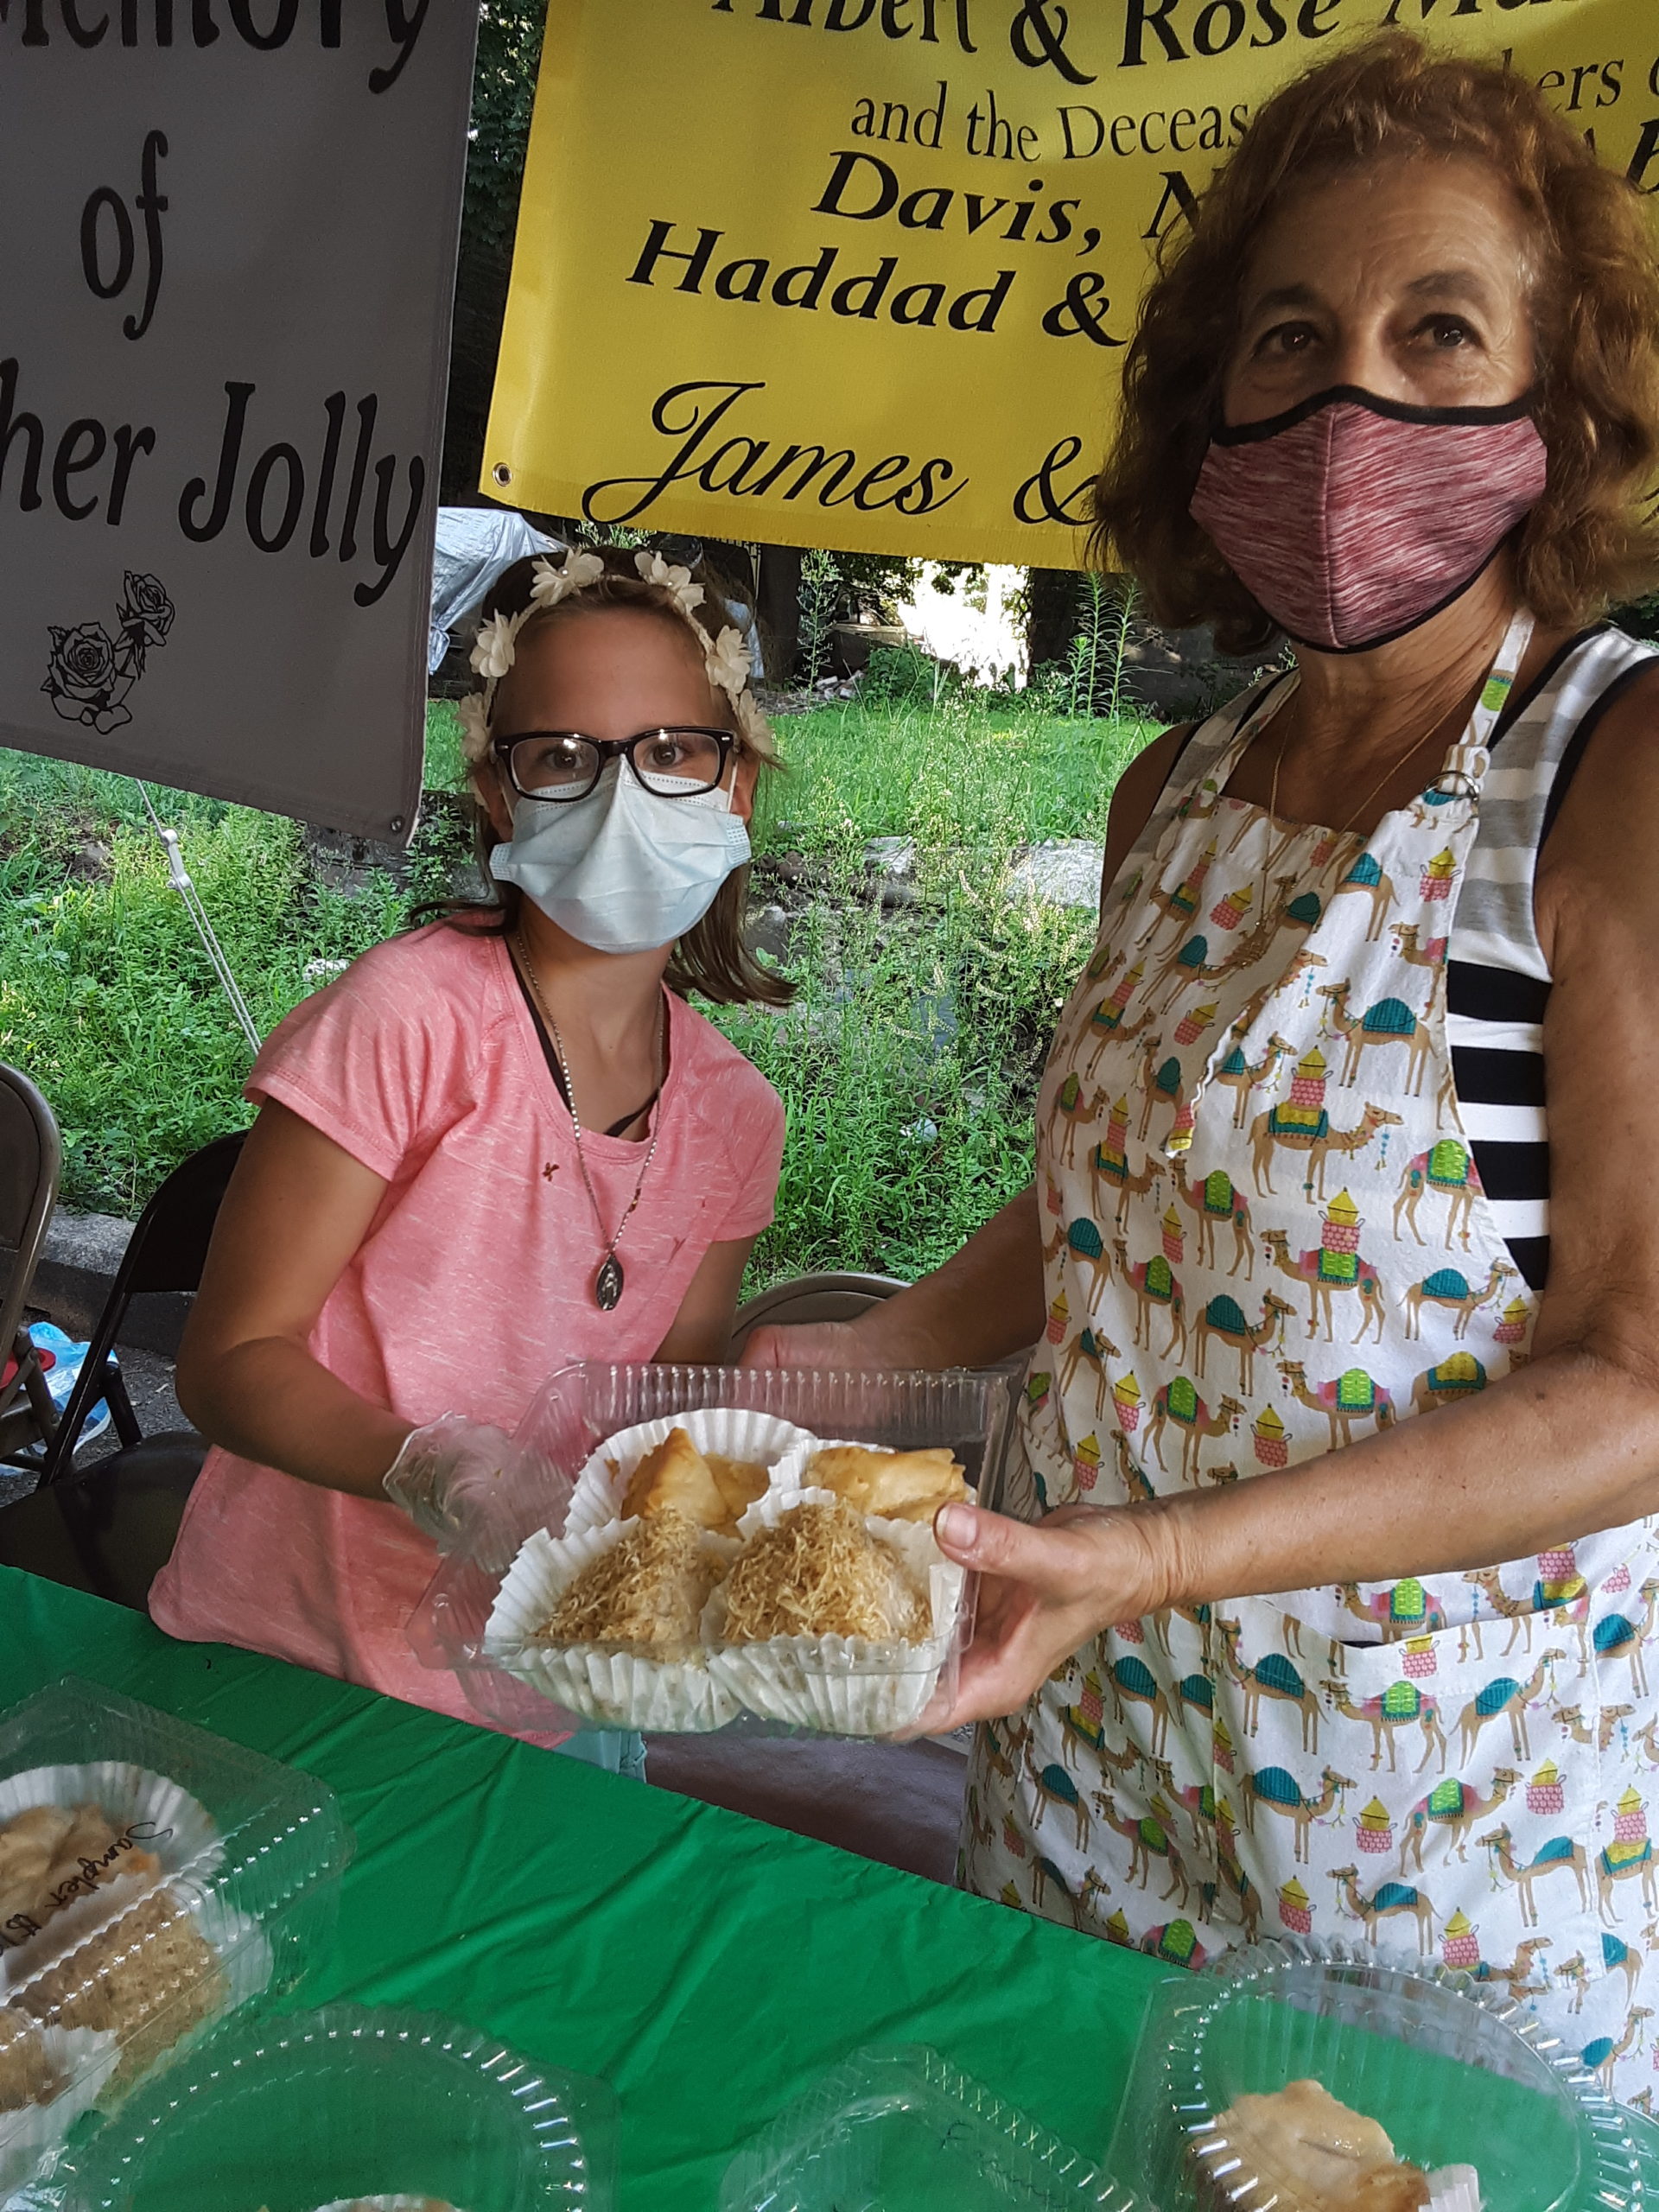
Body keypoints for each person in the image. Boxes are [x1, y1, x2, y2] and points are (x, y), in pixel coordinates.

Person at [747, 36, 1659, 2090]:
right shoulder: (1178, 784)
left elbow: (1643, 1377)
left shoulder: (1615, 766)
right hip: (1080, 1730)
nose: (1353, 404)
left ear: (1561, 406)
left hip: (1428, 1807)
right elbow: (1119, 1203)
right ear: (1214, 408)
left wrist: (1147, 1557)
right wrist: (862, 1355)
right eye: (1292, 338)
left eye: (1441, 331)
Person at [153, 545, 789, 1767]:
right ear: (501, 793)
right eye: (565, 757)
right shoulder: (405, 1023)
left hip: (555, 1690)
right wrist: (425, 1464)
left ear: (736, 785)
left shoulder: (736, 1118)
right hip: (293, 1665)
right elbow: (226, 1364)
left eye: (671, 751)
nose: (623, 797)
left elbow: (671, 1403)